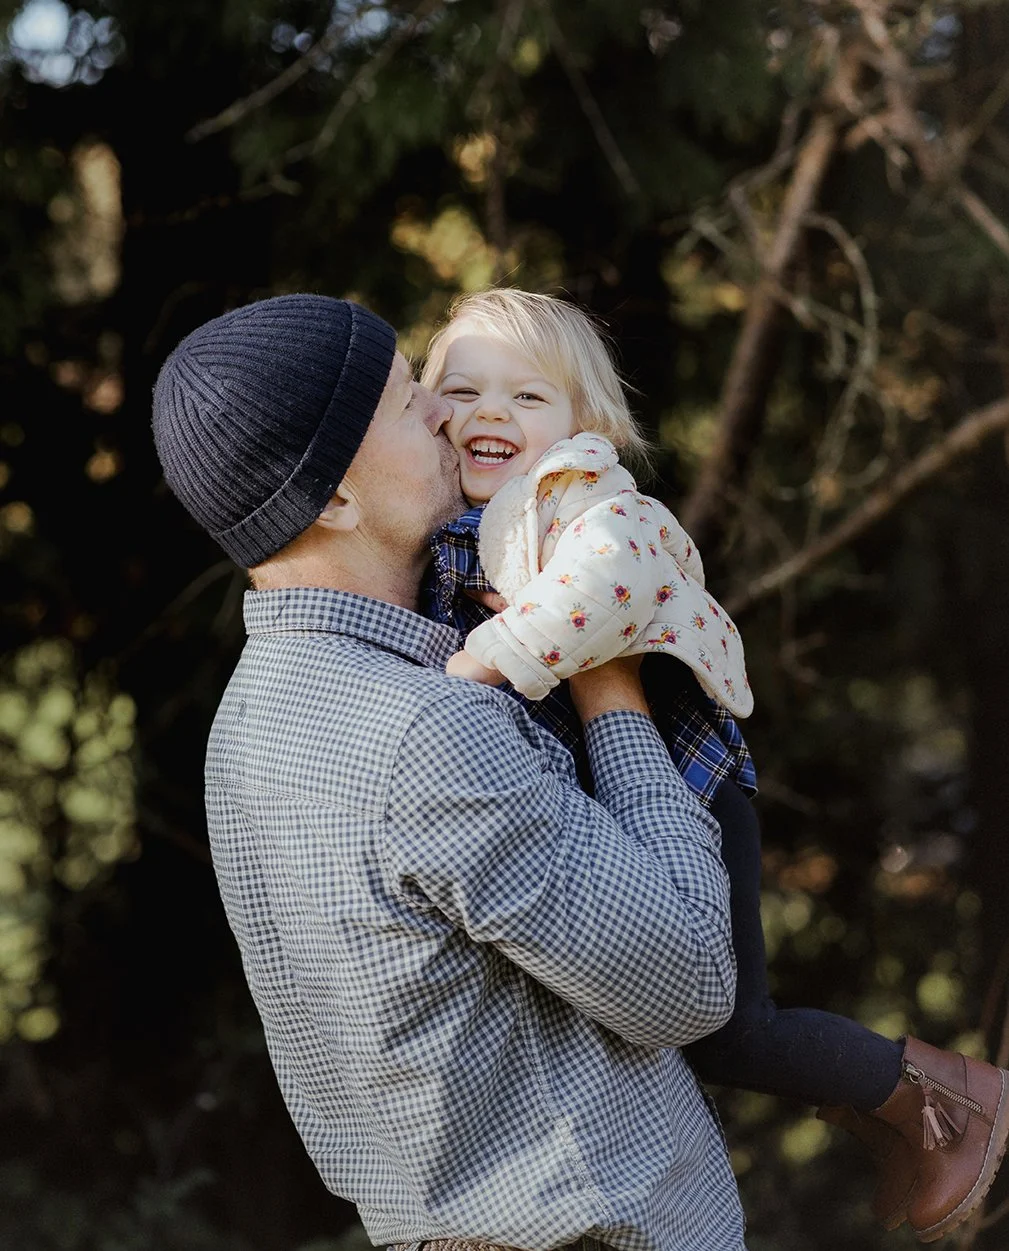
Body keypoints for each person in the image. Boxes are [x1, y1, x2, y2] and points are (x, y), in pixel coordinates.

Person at [151, 293, 750, 1251]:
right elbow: (688, 975)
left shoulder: (245, 727)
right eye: (405, 402)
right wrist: (610, 687)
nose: (445, 411)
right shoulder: (428, 728)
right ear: (337, 499)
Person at [418, 287, 1009, 1245]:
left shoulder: (583, 496)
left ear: (587, 428)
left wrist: (489, 661)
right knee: (681, 1025)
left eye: (528, 398)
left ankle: (942, 1098)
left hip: (689, 782)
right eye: (462, 389)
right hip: (619, 793)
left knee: (728, 1021)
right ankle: (894, 1108)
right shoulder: (460, 515)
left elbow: (610, 582)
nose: (491, 413)